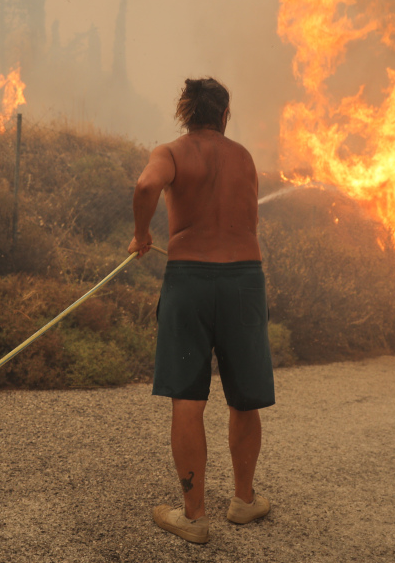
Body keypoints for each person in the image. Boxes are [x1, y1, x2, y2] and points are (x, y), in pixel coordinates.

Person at [129, 77, 275, 544]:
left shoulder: (170, 153)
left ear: (184, 112)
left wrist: (141, 234)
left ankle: (194, 517)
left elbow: (147, 183)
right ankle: (244, 501)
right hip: (243, 281)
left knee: (188, 398)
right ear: (224, 115)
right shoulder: (245, 158)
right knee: (244, 397)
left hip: (190, 279)